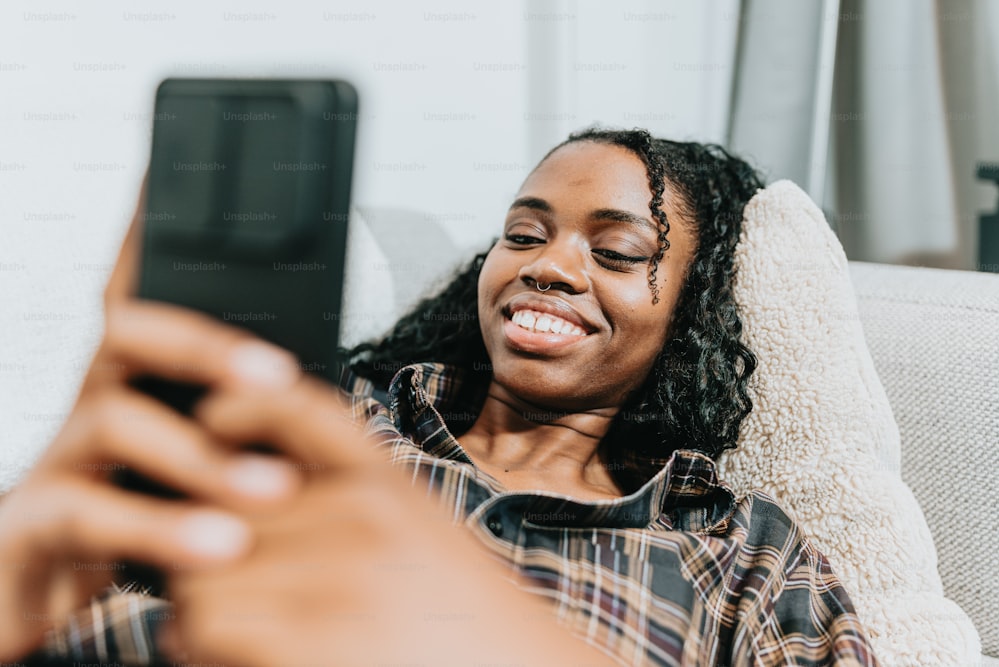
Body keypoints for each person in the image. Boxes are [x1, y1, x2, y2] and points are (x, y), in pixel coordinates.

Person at [0, 128, 880, 666]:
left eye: (615, 252)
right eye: (523, 233)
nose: (549, 264)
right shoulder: (324, 418)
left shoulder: (736, 550)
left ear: (684, 315)